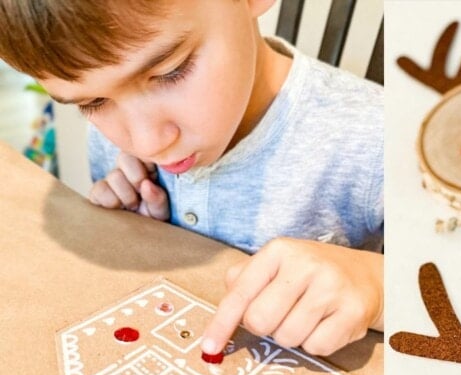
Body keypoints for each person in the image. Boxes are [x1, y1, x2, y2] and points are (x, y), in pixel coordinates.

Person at [0, 0, 383, 356]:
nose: (148, 143)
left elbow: (440, 295)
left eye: (170, 72)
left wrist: (377, 288)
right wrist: (133, 232)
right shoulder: (112, 142)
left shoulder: (378, 138)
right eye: (92, 103)